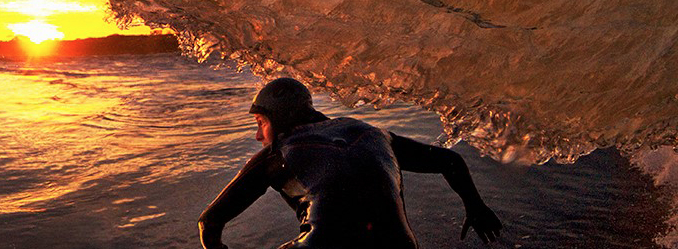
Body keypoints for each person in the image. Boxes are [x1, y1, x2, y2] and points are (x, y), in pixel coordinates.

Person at [199, 78, 502, 249]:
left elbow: (209, 223)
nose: (258, 136)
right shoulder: (373, 133)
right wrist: (476, 207)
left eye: (261, 123)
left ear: (279, 120)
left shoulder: (277, 154)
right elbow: (450, 160)